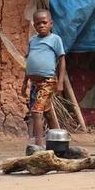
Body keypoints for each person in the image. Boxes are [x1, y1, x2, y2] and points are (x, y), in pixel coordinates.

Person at [20, 9, 65, 148]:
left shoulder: (55, 39)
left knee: (36, 112)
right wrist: (24, 82)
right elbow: (29, 63)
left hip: (48, 81)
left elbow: (62, 60)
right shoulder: (33, 41)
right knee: (47, 113)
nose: (41, 25)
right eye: (38, 23)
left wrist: (61, 82)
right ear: (34, 26)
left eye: (44, 22)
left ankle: (39, 145)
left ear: (51, 23)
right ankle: (59, 143)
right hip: (34, 83)